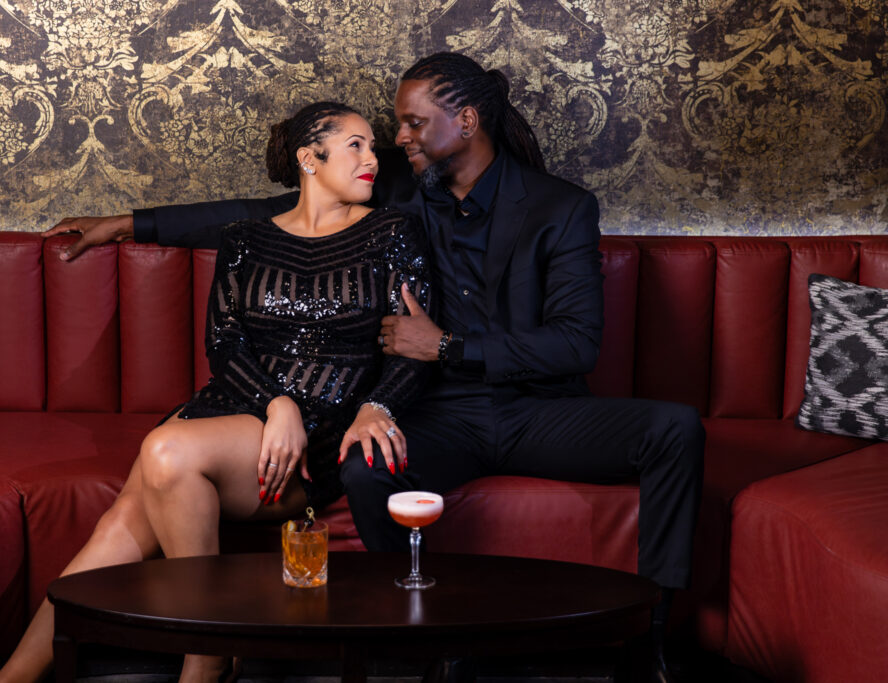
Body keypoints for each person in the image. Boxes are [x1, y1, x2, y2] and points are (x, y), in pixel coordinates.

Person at [46, 53, 704, 682]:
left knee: (676, 429)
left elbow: (575, 345)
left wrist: (444, 345)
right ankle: (431, 640)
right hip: (436, 412)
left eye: (414, 123)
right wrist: (130, 224)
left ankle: (653, 639)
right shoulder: (396, 183)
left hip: (539, 411)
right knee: (363, 465)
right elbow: (259, 217)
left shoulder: (561, 207)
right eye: (396, 125)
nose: (399, 136)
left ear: (467, 121)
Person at [0, 101, 433, 683]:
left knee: (165, 452)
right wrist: (276, 405)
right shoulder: (247, 238)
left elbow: (416, 347)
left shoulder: (392, 232)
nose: (374, 157)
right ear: (310, 158)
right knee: (119, 526)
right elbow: (224, 346)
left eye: (373, 147)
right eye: (356, 145)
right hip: (237, 408)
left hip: (320, 428)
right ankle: (12, 679)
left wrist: (366, 409)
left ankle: (206, 648)